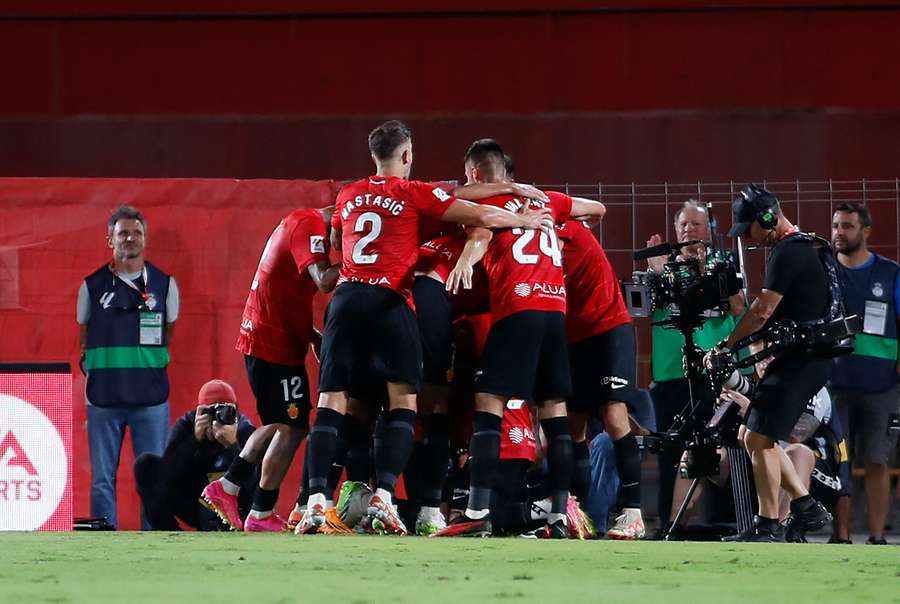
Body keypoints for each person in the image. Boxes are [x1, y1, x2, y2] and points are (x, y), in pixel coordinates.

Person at [296, 121, 553, 536]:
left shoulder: (349, 194)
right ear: (408, 156)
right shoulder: (414, 194)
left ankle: (315, 501)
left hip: (345, 299)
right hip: (391, 299)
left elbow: (339, 235)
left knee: (333, 400)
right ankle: (384, 496)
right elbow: (474, 211)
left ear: (373, 156)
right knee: (405, 401)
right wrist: (522, 215)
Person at [434, 138, 606, 537]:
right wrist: (561, 221)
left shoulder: (483, 205)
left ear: (476, 174)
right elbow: (596, 210)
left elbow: (474, 231)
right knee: (554, 411)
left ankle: (476, 511)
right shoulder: (547, 200)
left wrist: (465, 260)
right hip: (555, 311)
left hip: (519, 309)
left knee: (489, 400)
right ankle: (560, 515)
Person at [201, 206, 340, 531]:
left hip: (276, 342)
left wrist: (310, 335)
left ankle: (254, 505)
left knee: (289, 425)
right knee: (287, 426)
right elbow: (322, 282)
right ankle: (235, 491)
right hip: (270, 345)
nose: (341, 244)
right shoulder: (309, 224)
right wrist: (365, 260)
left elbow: (283, 290)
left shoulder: (304, 223)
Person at [709, 183, 833, 542]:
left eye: (749, 228)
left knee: (760, 437)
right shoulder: (798, 248)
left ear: (768, 217)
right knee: (751, 433)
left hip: (802, 361)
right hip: (802, 359)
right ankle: (805, 506)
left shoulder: (788, 252)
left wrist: (728, 346)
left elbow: (761, 310)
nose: (748, 236)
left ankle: (769, 525)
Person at [645, 200, 745, 526]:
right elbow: (646, 308)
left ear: (709, 230)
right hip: (671, 377)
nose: (689, 230)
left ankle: (724, 522)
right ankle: (667, 525)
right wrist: (658, 272)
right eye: (683, 225)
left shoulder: (724, 264)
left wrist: (707, 274)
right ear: (675, 231)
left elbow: (738, 308)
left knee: (720, 449)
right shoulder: (660, 266)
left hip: (716, 377)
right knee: (671, 453)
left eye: (696, 224)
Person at [77, 206, 178, 529]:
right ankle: (104, 540)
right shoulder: (90, 286)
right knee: (102, 479)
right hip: (104, 400)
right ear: (110, 239)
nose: (130, 239)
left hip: (151, 400)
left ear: (145, 239)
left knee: (154, 477)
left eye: (136, 233)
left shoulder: (165, 284)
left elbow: (168, 333)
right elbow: (84, 336)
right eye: (122, 233)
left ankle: (153, 538)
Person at [557, 217, 646, 539]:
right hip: (573, 338)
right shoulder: (528, 244)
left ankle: (633, 515)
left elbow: (597, 207)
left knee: (614, 417)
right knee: (573, 424)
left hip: (609, 329)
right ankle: (579, 515)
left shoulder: (569, 232)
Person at [828, 202, 900, 544]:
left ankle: (876, 537)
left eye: (848, 226)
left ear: (866, 231)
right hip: (834, 383)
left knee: (877, 459)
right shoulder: (825, 271)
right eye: (836, 225)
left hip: (882, 386)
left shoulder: (891, 274)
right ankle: (839, 535)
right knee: (837, 461)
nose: (840, 232)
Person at [135, 379, 256, 530]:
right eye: (209, 412)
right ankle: (171, 534)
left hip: (238, 508)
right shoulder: (187, 426)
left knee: (260, 471)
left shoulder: (245, 430)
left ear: (236, 412)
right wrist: (194, 440)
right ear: (198, 412)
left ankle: (246, 526)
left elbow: (254, 486)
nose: (216, 419)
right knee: (145, 465)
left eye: (225, 411)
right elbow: (165, 478)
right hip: (197, 502)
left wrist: (232, 447)